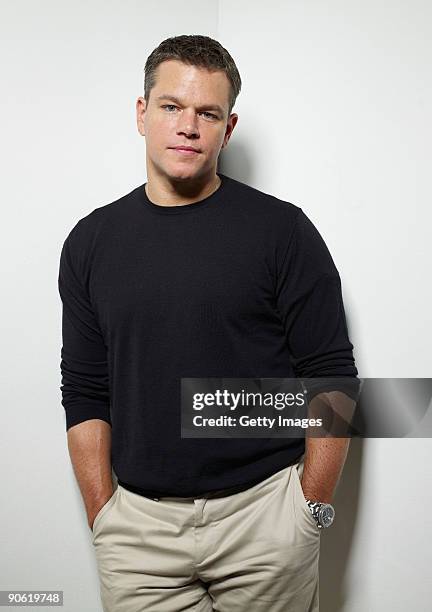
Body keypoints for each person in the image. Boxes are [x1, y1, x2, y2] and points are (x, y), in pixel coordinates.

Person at [58, 34, 359, 612]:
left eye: (208, 113)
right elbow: (85, 391)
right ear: (142, 114)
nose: (188, 126)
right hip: (139, 532)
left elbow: (330, 374)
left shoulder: (283, 231)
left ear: (229, 126)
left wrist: (309, 508)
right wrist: (104, 516)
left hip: (264, 517)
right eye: (172, 106)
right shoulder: (91, 242)